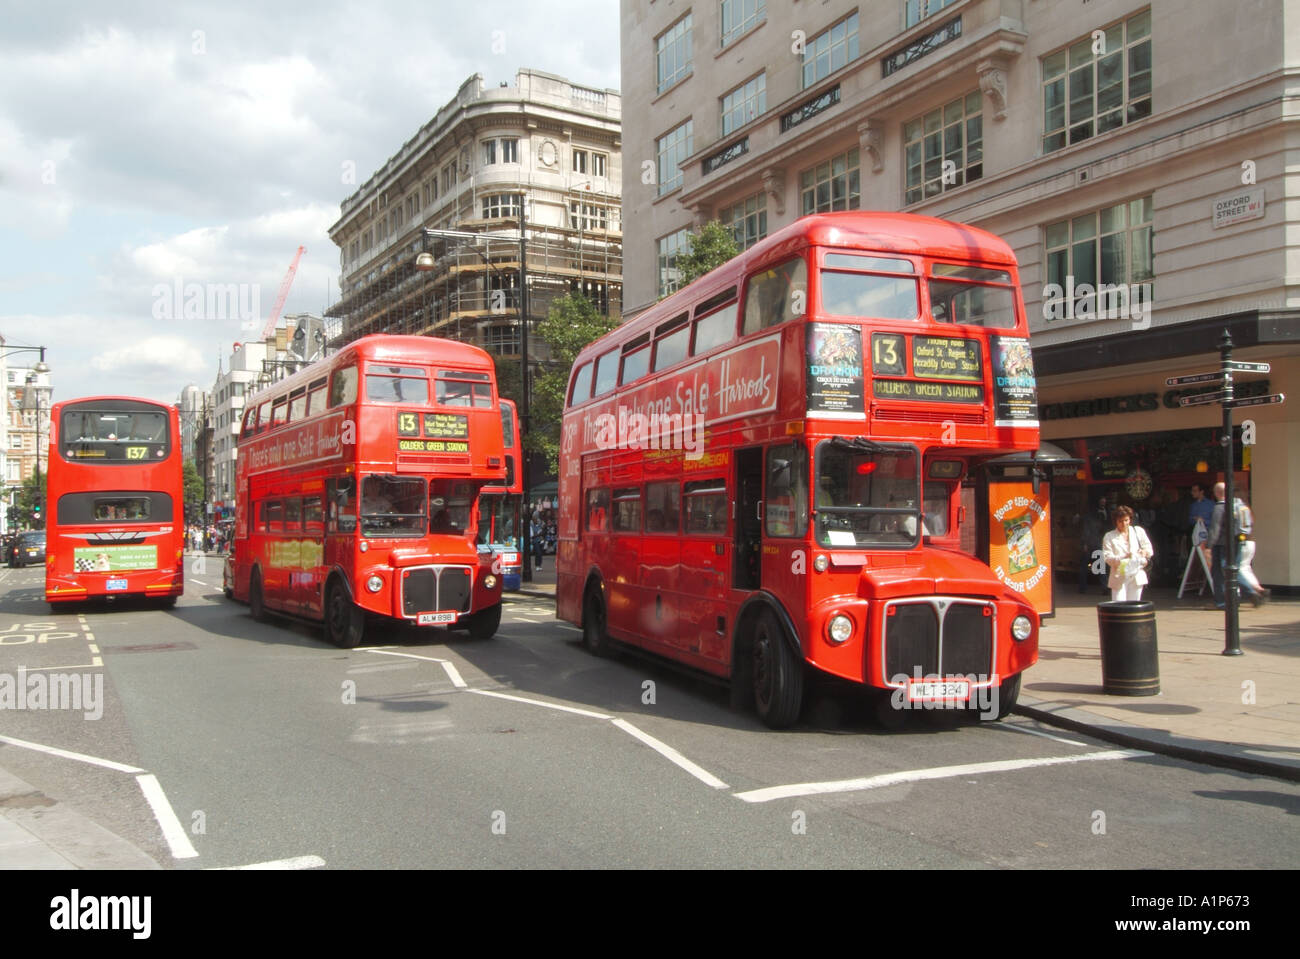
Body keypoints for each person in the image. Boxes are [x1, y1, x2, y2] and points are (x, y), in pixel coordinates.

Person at [1206, 482, 1261, 609]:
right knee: (1232, 570)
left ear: (1216, 493)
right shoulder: (1237, 505)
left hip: (1221, 545)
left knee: (1220, 572)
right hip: (1236, 543)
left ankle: (1221, 601)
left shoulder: (1220, 507)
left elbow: (1215, 528)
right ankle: (1250, 592)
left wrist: (1209, 546)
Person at [1102, 505, 1154, 602]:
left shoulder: (1138, 531)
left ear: (1130, 519)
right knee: (1118, 607)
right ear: (1115, 522)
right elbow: (1107, 557)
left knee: (1134, 606)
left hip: (1136, 575)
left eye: (1126, 520)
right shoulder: (1109, 536)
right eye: (1120, 521)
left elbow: (1149, 549)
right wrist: (1124, 556)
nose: (1124, 524)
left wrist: (1144, 552)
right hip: (1119, 575)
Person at [1079, 495, 1108, 594]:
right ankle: (1104, 587)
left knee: (1086, 566)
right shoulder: (1099, 514)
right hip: (1095, 542)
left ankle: (1083, 587)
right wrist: (1085, 543)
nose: (1103, 503)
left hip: (1093, 542)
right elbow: (1087, 529)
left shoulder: (1090, 514)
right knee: (1100, 565)